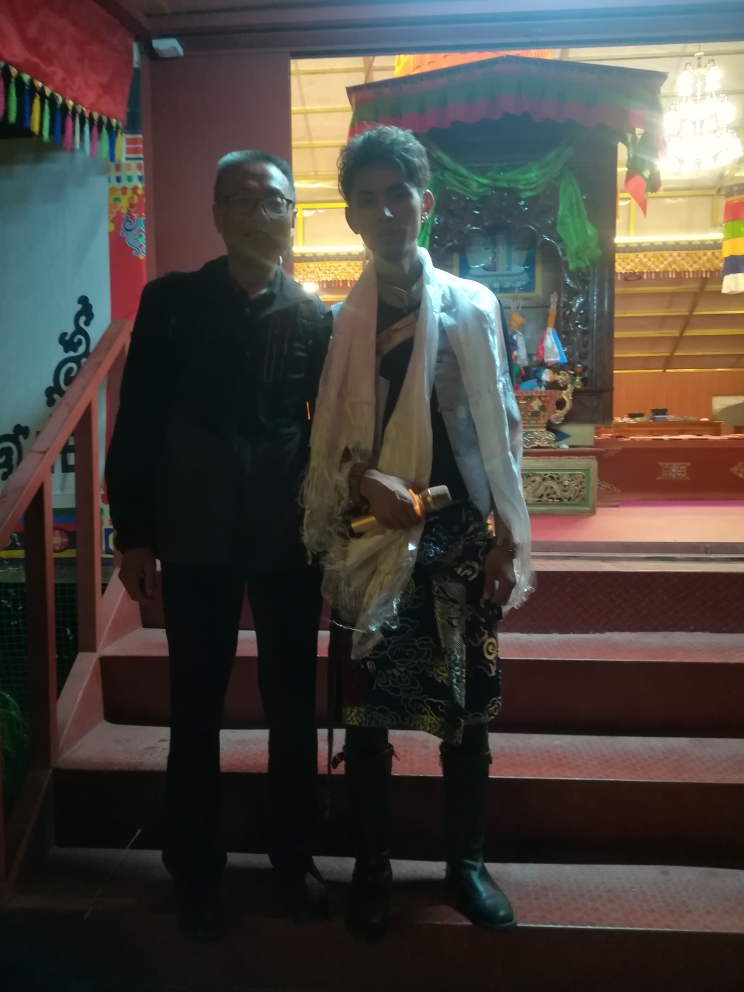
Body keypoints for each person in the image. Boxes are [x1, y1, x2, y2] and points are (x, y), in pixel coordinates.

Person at [303, 126, 533, 943]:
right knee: (366, 717)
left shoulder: (474, 305)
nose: (385, 211)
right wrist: (365, 480)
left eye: (398, 195)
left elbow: (501, 430)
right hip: (370, 532)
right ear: (351, 216)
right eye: (367, 199)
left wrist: (506, 539)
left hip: (462, 531)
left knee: (466, 714)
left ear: (424, 203)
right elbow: (327, 442)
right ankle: (372, 865)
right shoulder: (338, 323)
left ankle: (465, 865)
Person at [106, 150, 331, 940]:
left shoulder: (315, 315)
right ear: (216, 213)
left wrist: (335, 533)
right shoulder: (171, 302)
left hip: (286, 535)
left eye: (272, 201)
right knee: (194, 706)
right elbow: (138, 420)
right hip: (194, 533)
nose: (256, 214)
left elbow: (331, 431)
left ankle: (293, 854)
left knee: (292, 706)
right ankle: (195, 870)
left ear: (292, 215)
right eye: (239, 199)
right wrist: (134, 533)